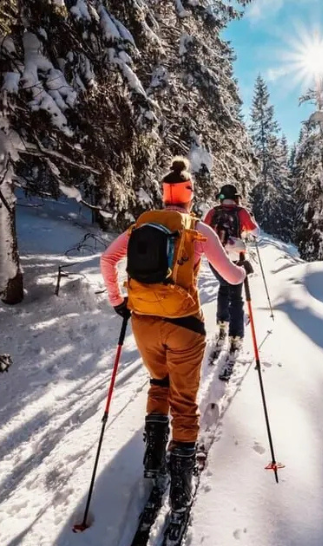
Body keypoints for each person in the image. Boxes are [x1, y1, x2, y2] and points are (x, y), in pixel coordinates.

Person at [100, 157, 251, 511]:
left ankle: (153, 457)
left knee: (158, 384)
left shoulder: (141, 224)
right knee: (184, 401)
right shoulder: (197, 228)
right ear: (189, 195)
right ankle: (181, 486)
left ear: (164, 193)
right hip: (184, 324)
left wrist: (117, 301)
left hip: (143, 322)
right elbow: (230, 276)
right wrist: (244, 272)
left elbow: (107, 260)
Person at [203, 184, 260, 353]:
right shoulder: (241, 212)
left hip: (216, 259)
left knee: (223, 288)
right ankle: (236, 336)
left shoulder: (213, 212)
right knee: (236, 296)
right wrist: (251, 222)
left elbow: (203, 232)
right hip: (236, 259)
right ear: (236, 197)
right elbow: (257, 233)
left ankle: (222, 323)